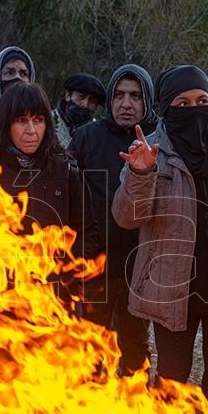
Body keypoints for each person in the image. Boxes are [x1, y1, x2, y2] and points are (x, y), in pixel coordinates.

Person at [112, 65, 208, 414]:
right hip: (173, 280)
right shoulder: (150, 150)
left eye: (202, 101)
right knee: (173, 371)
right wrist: (141, 174)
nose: (195, 110)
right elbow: (127, 217)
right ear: (166, 108)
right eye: (183, 103)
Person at [0, 82, 102, 414]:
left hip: (53, 300)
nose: (30, 130)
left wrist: (75, 286)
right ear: (5, 123)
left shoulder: (64, 171)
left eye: (38, 120)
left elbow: (86, 232)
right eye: (21, 120)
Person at [68, 64, 157, 376]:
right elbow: (68, 196)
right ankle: (87, 412)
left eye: (135, 96)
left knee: (134, 345)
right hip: (95, 264)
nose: (126, 103)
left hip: (139, 264)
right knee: (89, 346)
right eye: (118, 95)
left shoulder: (157, 141)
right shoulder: (86, 137)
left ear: (147, 102)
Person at [52, 72, 105, 148]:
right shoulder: (47, 123)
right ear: (68, 95)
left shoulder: (98, 134)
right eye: (81, 97)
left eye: (92, 101)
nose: (85, 104)